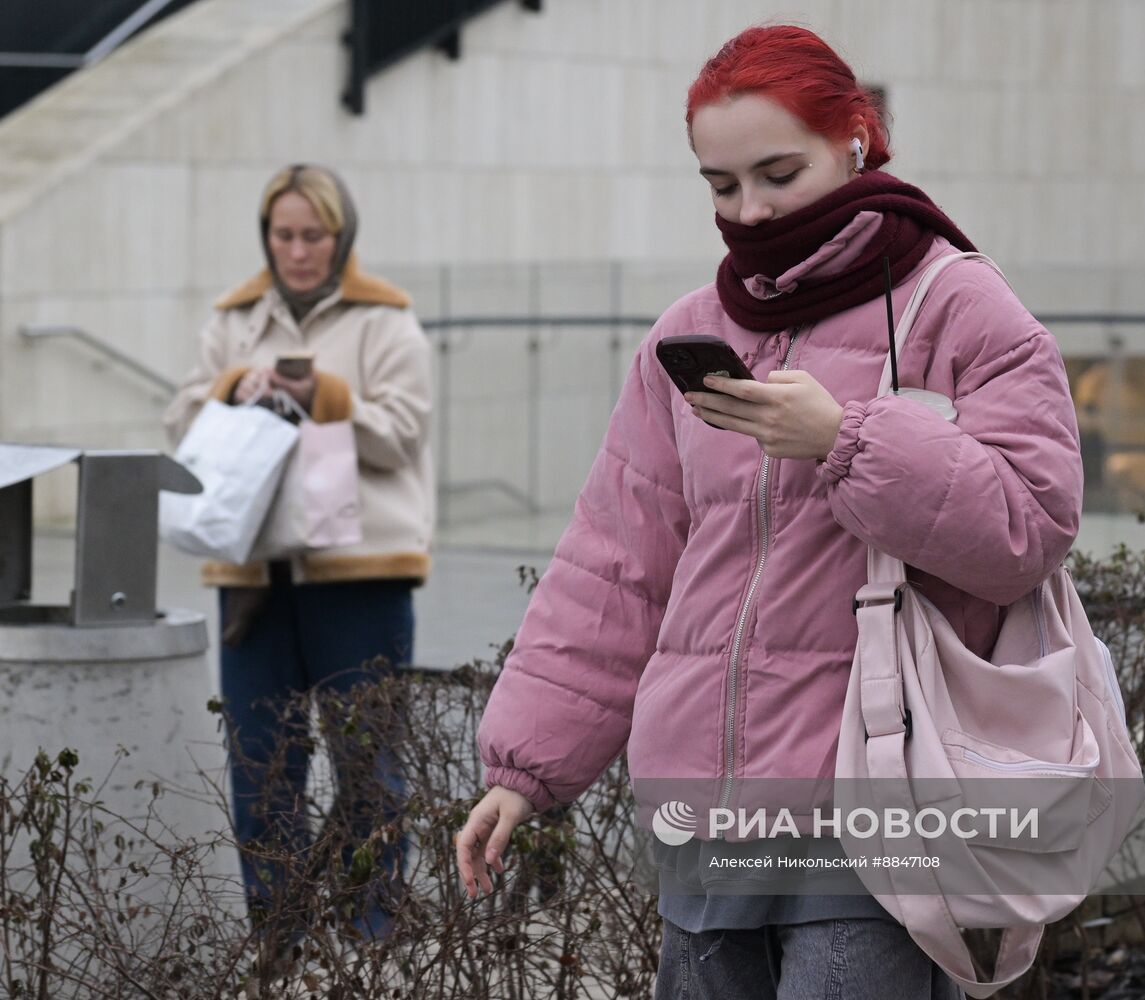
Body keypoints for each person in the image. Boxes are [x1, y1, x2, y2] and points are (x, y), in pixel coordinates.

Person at [457, 25, 1082, 999]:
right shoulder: (690, 332)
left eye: (778, 174)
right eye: (720, 185)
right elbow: (616, 567)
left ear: (855, 138)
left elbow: (1029, 527)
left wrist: (847, 439)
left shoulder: (959, 305)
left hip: (878, 800)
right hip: (705, 815)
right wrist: (524, 768)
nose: (748, 210)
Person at [164, 163, 434, 944]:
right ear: (267, 237)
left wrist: (326, 397)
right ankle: (277, 939)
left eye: (313, 235)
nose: (298, 250)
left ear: (339, 236)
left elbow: (404, 434)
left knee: (368, 769)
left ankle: (373, 936)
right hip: (253, 574)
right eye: (284, 235)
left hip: (360, 573)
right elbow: (180, 422)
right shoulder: (234, 319)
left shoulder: (385, 318)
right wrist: (232, 387)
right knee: (259, 767)